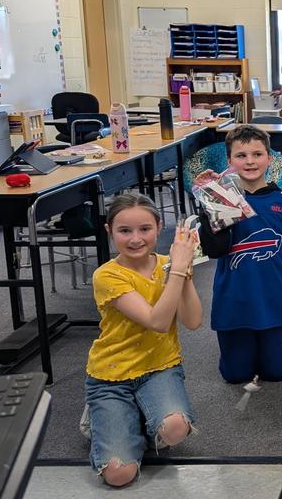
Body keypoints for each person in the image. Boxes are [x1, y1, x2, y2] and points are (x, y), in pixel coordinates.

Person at [85, 194, 202, 487]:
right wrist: (177, 269)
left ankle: (136, 419)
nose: (135, 239)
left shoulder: (169, 264)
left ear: (159, 227)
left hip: (159, 368)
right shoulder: (106, 275)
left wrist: (183, 271)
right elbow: (157, 322)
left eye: (145, 229)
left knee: (175, 429)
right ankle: (102, 418)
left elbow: (192, 321)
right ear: (109, 231)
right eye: (125, 231)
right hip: (110, 377)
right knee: (118, 475)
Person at [198, 125, 282, 384]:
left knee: (278, 373)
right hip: (234, 306)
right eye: (241, 156)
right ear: (229, 160)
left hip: (276, 305)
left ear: (269, 157)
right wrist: (210, 202)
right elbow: (215, 250)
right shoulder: (223, 201)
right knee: (236, 375)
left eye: (257, 154)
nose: (250, 161)